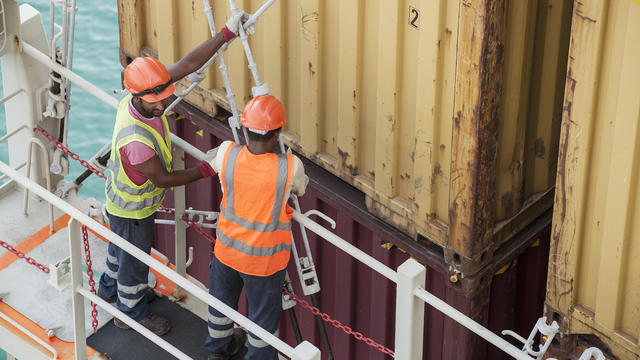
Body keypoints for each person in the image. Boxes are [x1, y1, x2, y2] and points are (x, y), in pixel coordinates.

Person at [97, 12, 255, 336]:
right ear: (140, 96)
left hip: (120, 203)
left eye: (163, 96)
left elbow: (188, 63)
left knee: (118, 248)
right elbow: (164, 180)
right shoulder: (136, 141)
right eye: (157, 102)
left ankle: (107, 288)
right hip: (133, 209)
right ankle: (131, 311)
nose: (165, 103)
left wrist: (225, 34)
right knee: (135, 259)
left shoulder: (142, 88)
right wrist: (207, 168)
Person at [203, 95, 308, 360]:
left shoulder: (227, 152)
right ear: (277, 134)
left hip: (226, 253)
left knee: (220, 305)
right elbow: (301, 188)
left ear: (245, 129)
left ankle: (217, 350)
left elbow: (210, 162)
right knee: (262, 323)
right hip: (263, 263)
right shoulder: (290, 167)